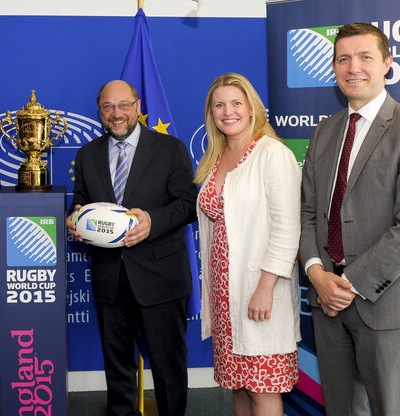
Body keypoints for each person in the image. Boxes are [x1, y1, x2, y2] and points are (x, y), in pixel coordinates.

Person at [300, 22, 400, 416]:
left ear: (387, 64)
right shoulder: (324, 132)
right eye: (343, 59)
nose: (354, 68)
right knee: (342, 409)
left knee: (393, 409)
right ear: (333, 68)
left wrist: (347, 284)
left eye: (365, 57)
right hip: (326, 299)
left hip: (387, 298)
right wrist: (317, 274)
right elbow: (308, 212)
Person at [66, 80, 198, 416]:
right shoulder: (87, 154)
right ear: (100, 112)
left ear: (137, 106)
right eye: (108, 107)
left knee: (168, 370)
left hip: (161, 279)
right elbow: (81, 202)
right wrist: (75, 221)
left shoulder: (171, 149)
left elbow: (188, 204)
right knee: (118, 370)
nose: (116, 114)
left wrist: (152, 221)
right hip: (111, 279)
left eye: (123, 105)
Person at [194, 73, 301, 416]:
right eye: (219, 105)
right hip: (226, 296)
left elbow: (288, 228)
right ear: (211, 113)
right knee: (238, 386)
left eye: (236, 103)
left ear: (252, 108)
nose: (228, 111)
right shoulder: (216, 157)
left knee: (262, 389)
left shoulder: (273, 154)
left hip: (259, 290)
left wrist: (265, 287)